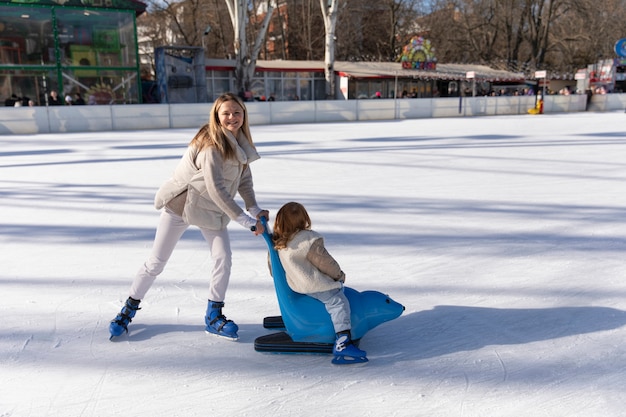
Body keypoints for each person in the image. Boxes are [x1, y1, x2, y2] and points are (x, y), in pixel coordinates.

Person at [109, 92, 269, 341]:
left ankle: (213, 316)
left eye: (237, 112)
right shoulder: (211, 144)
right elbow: (216, 187)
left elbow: (243, 180)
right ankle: (128, 309)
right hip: (182, 205)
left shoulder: (240, 142)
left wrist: (254, 208)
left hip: (211, 209)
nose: (232, 117)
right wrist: (247, 222)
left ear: (244, 115)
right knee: (156, 262)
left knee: (222, 258)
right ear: (217, 116)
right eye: (226, 113)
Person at [271, 202, 368, 364]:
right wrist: (339, 275)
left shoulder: (280, 243)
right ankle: (343, 341)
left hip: (298, 285)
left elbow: (272, 268)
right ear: (304, 219)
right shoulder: (308, 240)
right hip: (315, 285)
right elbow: (325, 262)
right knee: (338, 302)